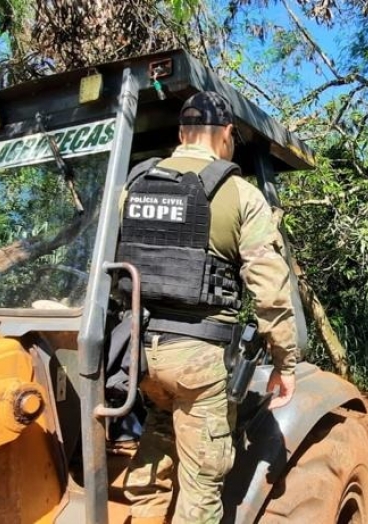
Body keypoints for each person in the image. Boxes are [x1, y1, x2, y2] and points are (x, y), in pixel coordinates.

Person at [118, 91, 298, 524]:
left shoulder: (132, 186)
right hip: (199, 360)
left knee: (156, 451)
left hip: (139, 356)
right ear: (227, 137)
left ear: (182, 134)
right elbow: (270, 290)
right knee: (202, 486)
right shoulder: (239, 194)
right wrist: (285, 363)